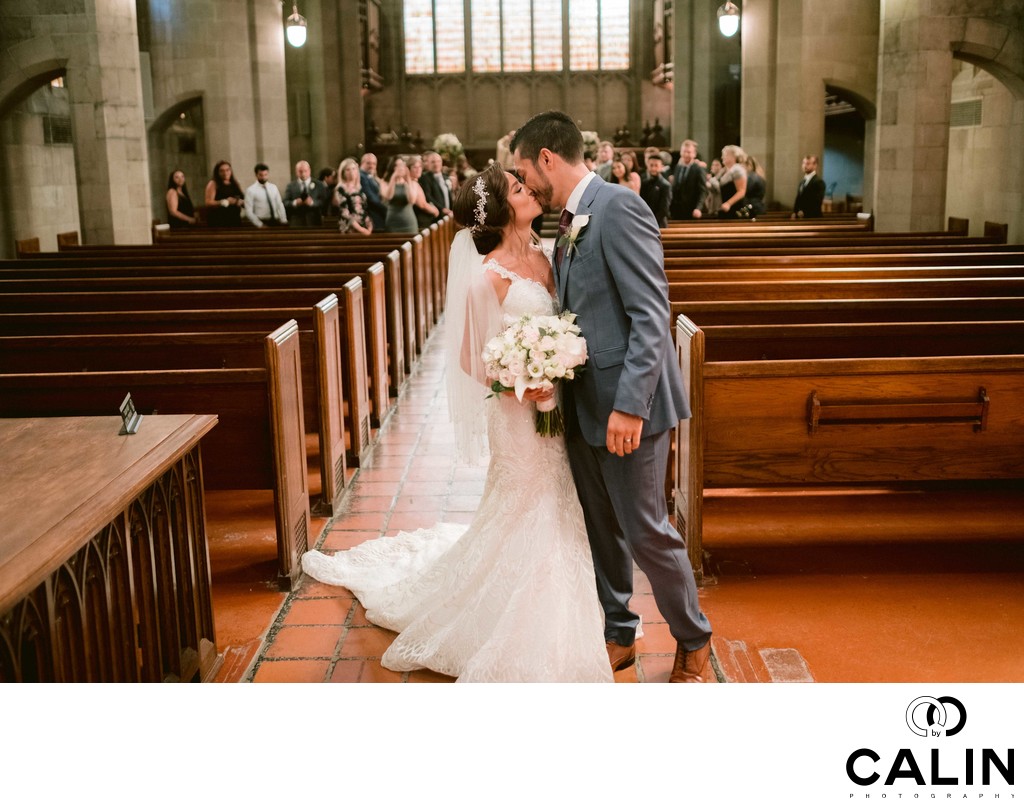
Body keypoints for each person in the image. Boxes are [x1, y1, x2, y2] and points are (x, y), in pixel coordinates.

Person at [301, 163, 612, 682]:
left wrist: (556, 364)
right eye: (518, 188)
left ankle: (574, 603)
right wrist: (521, 380)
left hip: (556, 403)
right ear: (504, 208)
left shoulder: (549, 251)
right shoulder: (488, 275)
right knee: (528, 501)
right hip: (515, 414)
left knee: (559, 498)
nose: (529, 189)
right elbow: (471, 359)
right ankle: (530, 620)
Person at [511, 110, 713, 683]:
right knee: (602, 528)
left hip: (631, 409)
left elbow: (652, 316)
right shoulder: (568, 222)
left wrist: (629, 405)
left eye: (526, 171)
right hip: (584, 406)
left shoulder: (620, 206)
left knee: (646, 528)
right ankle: (619, 633)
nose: (526, 185)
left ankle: (693, 638)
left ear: (548, 158)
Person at [380, 156, 425, 234]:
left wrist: (407, 180)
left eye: (402, 165)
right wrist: (394, 178)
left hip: (409, 222)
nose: (400, 168)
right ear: (393, 168)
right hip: (392, 221)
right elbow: (389, 196)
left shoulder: (412, 182)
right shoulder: (384, 182)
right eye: (397, 166)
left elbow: (412, 200)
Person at [669, 139, 708, 220]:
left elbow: (703, 191)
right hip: (676, 211)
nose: (686, 154)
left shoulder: (698, 169)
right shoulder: (678, 167)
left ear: (694, 154)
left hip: (691, 210)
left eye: (689, 152)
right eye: (684, 151)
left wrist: (698, 208)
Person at [333, 157, 372, 234]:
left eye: (354, 169)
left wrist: (369, 226)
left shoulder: (359, 188)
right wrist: (360, 229)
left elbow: (365, 209)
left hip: (364, 226)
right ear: (343, 172)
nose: (351, 172)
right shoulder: (341, 189)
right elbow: (344, 212)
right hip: (349, 227)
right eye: (348, 170)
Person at [284, 160, 328, 227]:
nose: (303, 174)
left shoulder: (319, 184)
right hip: (296, 222)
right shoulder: (291, 186)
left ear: (309, 170)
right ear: (296, 172)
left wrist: (312, 203)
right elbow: (285, 202)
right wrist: (295, 202)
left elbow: (324, 202)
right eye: (300, 171)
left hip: (314, 221)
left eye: (305, 171)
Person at [244, 162, 287, 227]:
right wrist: (260, 224)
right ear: (256, 175)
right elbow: (248, 211)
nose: (263, 177)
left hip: (275, 220)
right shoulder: (250, 190)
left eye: (265, 174)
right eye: (261, 175)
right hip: (261, 221)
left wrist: (284, 220)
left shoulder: (273, 187)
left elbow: (280, 204)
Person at [204, 160, 245, 227]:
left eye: (227, 170)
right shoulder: (213, 183)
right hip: (219, 221)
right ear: (217, 172)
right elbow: (208, 202)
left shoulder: (235, 184)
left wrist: (241, 202)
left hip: (234, 219)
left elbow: (242, 198)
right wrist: (226, 202)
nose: (225, 173)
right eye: (222, 171)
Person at [640, 151, 672, 227]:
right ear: (647, 165)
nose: (653, 168)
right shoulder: (643, 183)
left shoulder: (665, 185)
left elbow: (664, 210)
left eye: (656, 165)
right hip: (645, 222)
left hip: (659, 224)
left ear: (661, 167)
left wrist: (651, 221)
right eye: (651, 165)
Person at [419, 150, 452, 221]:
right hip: (435, 215)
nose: (436, 164)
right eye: (433, 162)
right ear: (428, 164)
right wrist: (442, 209)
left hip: (448, 214)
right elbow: (428, 196)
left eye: (438, 161)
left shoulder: (445, 177)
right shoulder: (425, 178)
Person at [717, 145, 748, 218]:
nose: (722, 157)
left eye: (724, 155)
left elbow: (741, 191)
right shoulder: (725, 170)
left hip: (735, 209)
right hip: (725, 209)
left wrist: (728, 203)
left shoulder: (737, 170)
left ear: (733, 156)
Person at [359, 152, 387, 232]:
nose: (371, 166)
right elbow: (370, 197)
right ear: (362, 163)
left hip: (378, 214)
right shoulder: (361, 176)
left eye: (374, 164)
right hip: (373, 215)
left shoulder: (371, 176)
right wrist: (387, 208)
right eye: (368, 163)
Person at [792, 154, 825, 219]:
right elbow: (798, 199)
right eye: (803, 163)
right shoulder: (802, 182)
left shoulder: (819, 182)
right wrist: (794, 212)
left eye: (808, 163)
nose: (804, 166)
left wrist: (804, 212)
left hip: (813, 218)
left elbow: (817, 202)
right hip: (800, 217)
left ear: (815, 165)